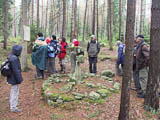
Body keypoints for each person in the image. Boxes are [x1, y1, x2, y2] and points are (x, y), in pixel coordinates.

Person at [7, 45, 23, 112]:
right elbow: (16, 70)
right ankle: (13, 107)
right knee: (14, 91)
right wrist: (19, 79)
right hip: (14, 78)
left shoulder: (11, 56)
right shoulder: (14, 59)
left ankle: (12, 105)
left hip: (11, 77)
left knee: (13, 90)